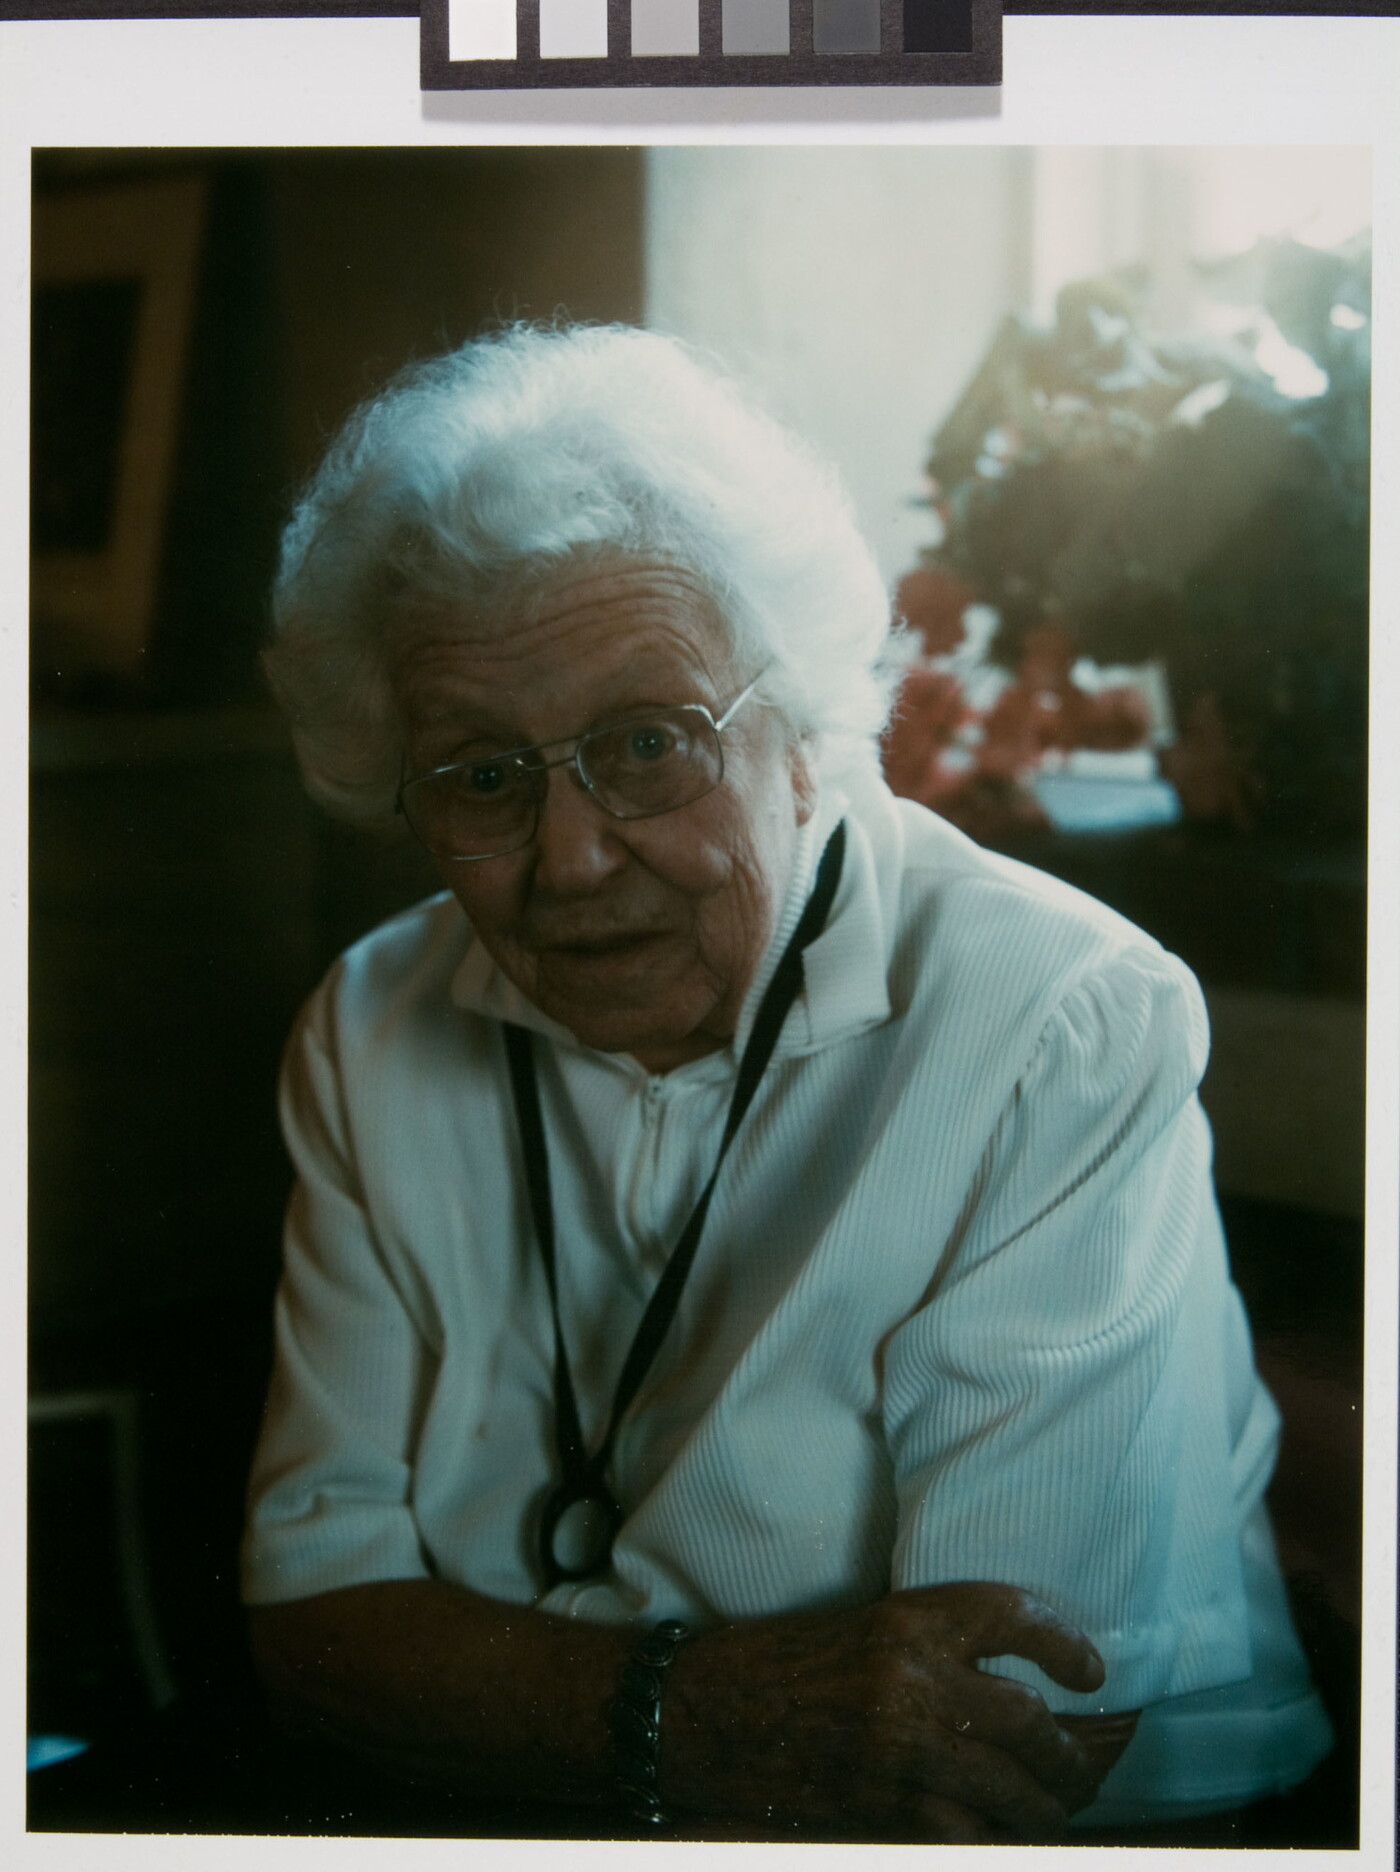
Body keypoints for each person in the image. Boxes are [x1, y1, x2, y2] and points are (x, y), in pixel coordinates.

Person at [241, 322, 1332, 1842]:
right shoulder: (371, 1024)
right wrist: (684, 1719)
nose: (571, 860)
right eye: (482, 773)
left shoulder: (1054, 1021)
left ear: (809, 733)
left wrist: (507, 1691)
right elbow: (315, 1629)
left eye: (648, 743)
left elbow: (1010, 1736)